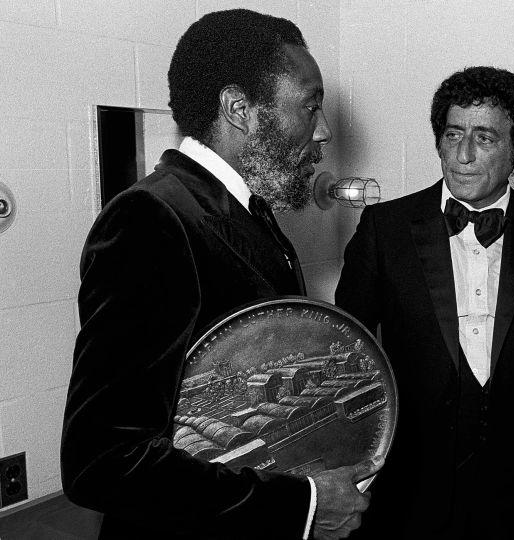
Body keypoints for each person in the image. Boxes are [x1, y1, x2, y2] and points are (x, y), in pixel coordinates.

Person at [61, 9, 374, 540]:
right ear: (238, 109)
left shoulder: (243, 211)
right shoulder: (151, 220)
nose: (322, 131)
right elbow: (103, 462)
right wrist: (302, 505)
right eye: (310, 105)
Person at [335, 66, 514, 539]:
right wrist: (345, 466)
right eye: (453, 134)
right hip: (404, 474)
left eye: (485, 138)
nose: (463, 155)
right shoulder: (384, 228)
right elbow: (347, 358)